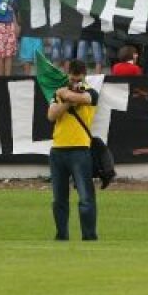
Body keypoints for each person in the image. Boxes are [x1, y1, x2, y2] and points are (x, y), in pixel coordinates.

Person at [46, 59, 99, 242]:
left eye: (78, 79)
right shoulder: (59, 93)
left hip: (80, 148)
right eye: (72, 78)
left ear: (84, 76)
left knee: (85, 197)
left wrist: (66, 95)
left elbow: (84, 98)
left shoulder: (90, 91)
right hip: (58, 149)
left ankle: (89, 236)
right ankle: (61, 235)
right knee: (59, 199)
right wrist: (67, 99)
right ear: (67, 74)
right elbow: (52, 115)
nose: (75, 82)